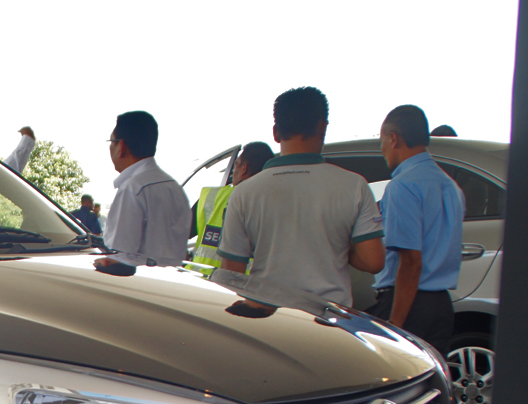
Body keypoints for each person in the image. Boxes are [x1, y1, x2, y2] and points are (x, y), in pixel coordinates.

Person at [215, 87, 384, 305]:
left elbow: (231, 274)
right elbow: (374, 261)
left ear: (276, 133)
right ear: (323, 127)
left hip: (269, 321)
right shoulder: (354, 186)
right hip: (329, 321)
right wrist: (340, 247)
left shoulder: (244, 193)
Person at [366, 105, 464, 355]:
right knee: (431, 385)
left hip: (407, 303)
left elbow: (411, 261)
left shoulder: (403, 186)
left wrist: (395, 325)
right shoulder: (451, 186)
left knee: (396, 385)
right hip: (441, 304)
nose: (382, 150)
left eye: (382, 141)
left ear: (393, 138)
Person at [95, 111, 190, 272]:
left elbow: (117, 259)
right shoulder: (175, 188)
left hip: (138, 286)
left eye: (112, 142)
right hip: (174, 286)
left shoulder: (133, 188)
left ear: (122, 146)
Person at [187, 141, 273, 271]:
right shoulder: (270, 203)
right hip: (244, 286)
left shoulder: (211, 197)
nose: (233, 172)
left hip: (200, 281)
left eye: (236, 166)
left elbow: (177, 233)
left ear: (244, 168)